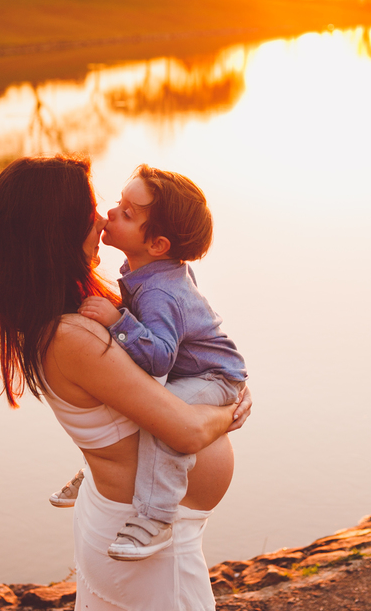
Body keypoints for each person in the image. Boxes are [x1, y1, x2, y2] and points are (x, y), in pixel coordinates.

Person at [0, 154, 251, 611]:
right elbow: (185, 431)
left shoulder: (75, 312)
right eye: (93, 212)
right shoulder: (74, 335)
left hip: (127, 525)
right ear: (59, 230)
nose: (104, 218)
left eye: (119, 211)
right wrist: (231, 409)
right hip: (146, 540)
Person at [57, 165, 247, 562]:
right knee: (136, 404)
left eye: (127, 214)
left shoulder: (160, 291)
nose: (111, 212)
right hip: (196, 369)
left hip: (212, 376)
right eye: (119, 203)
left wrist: (118, 321)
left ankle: (155, 518)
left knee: (167, 421)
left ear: (158, 245)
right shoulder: (147, 271)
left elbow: (159, 359)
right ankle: (95, 473)